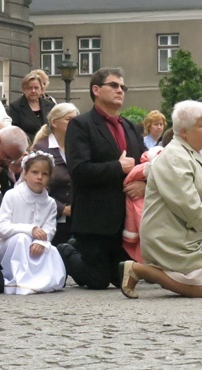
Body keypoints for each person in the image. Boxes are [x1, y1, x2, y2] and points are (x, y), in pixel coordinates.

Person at [118, 100, 202, 299]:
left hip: (188, 233)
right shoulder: (174, 156)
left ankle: (147, 272)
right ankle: (139, 270)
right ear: (185, 132)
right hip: (171, 239)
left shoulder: (197, 152)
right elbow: (185, 201)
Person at [57, 67, 147, 290]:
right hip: (95, 218)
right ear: (96, 90)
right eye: (114, 85)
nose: (120, 90)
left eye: (122, 87)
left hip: (126, 220)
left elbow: (147, 163)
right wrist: (118, 167)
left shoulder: (130, 127)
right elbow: (79, 170)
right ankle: (65, 250)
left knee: (120, 280)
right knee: (97, 281)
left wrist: (143, 183)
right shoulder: (80, 125)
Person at [0, 151, 66, 294]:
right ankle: (20, 281)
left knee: (51, 250)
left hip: (32, 243)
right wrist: (30, 230)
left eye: (44, 174)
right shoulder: (12, 195)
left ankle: (42, 282)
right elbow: (2, 229)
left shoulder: (50, 203)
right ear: (25, 173)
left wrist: (41, 242)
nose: (39, 177)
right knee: (22, 239)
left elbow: (49, 229)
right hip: (5, 243)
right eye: (34, 172)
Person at [32, 103, 80, 245]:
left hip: (77, 218)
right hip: (49, 220)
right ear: (54, 122)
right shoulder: (41, 149)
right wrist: (62, 209)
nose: (74, 124)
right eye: (69, 119)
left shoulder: (78, 146)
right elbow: (36, 186)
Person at [8, 72, 56, 142]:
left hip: (48, 145)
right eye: (30, 88)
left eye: (36, 88)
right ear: (24, 89)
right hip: (27, 145)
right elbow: (15, 131)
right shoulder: (15, 107)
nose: (33, 91)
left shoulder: (50, 105)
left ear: (41, 89)